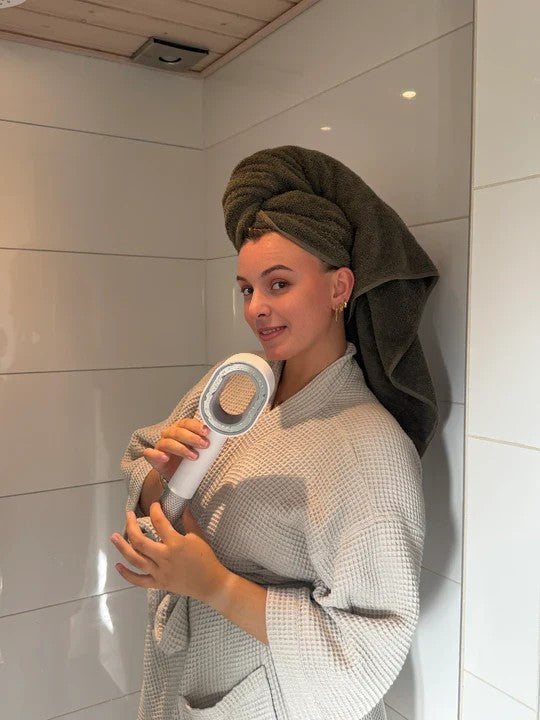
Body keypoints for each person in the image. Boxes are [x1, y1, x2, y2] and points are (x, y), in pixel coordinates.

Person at [111, 146, 439, 720]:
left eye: (279, 284)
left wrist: (214, 585)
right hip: (190, 673)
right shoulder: (235, 385)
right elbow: (141, 461)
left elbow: (370, 646)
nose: (255, 309)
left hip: (271, 701)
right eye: (246, 289)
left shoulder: (369, 447)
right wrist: (164, 480)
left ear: (339, 288)